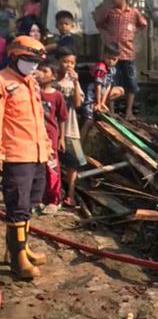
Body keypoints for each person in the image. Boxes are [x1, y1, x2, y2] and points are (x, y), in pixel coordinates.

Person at [0, 36, 52, 280]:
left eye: (36, 61)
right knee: (17, 207)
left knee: (29, 204)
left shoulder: (31, 83)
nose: (33, 66)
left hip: (37, 153)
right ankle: (18, 259)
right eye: (29, 60)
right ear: (14, 56)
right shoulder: (3, 82)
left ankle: (22, 248)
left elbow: (38, 119)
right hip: (16, 155)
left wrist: (47, 147)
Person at [94, 0, 147, 119]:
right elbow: (99, 23)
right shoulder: (110, 12)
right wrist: (107, 37)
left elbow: (143, 24)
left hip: (128, 54)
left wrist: (133, 33)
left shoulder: (133, 12)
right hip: (112, 55)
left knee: (131, 83)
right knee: (111, 81)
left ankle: (128, 111)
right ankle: (111, 110)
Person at [36, 58, 67, 214]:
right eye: (39, 70)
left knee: (52, 167)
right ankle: (38, 198)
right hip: (35, 135)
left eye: (44, 71)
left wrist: (61, 138)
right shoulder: (33, 91)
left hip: (51, 137)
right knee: (37, 168)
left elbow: (62, 118)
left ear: (53, 76)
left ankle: (54, 199)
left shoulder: (57, 96)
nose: (40, 74)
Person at [55, 48, 85, 208]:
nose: (68, 65)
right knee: (53, 163)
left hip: (70, 128)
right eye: (65, 61)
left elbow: (78, 103)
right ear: (58, 61)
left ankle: (70, 195)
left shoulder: (73, 82)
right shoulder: (51, 80)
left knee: (73, 163)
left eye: (72, 62)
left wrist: (76, 82)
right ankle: (54, 194)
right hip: (52, 129)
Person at [86, 43, 125, 116]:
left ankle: (102, 104)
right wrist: (98, 102)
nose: (111, 61)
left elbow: (108, 86)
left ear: (118, 59)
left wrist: (103, 102)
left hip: (102, 91)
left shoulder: (113, 69)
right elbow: (98, 86)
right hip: (93, 93)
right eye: (109, 58)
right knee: (89, 118)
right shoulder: (101, 67)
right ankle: (95, 104)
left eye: (114, 59)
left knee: (121, 90)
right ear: (104, 55)